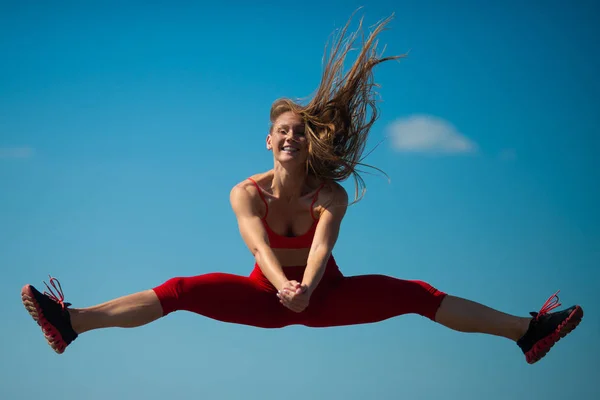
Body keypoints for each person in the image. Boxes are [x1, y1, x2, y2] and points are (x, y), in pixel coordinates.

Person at [21, 13, 582, 365]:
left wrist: (308, 290)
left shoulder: (329, 195)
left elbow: (321, 247)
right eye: (281, 131)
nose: (290, 137)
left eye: (298, 132)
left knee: (416, 294)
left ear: (308, 143)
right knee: (182, 290)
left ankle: (526, 331)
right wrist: (286, 291)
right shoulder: (245, 193)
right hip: (266, 297)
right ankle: (72, 322)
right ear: (267, 141)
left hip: (326, 295)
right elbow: (259, 249)